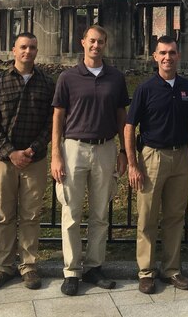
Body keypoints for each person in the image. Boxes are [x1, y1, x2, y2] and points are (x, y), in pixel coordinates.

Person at [50, 25, 129, 296]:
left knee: (100, 213)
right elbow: (58, 116)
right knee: (70, 212)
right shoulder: (68, 77)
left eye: (101, 42)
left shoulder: (115, 78)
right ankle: (72, 270)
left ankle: (94, 266)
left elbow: (121, 115)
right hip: (74, 148)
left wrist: (123, 152)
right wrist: (56, 154)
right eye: (92, 41)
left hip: (105, 147)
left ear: (106, 45)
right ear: (83, 42)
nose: (96, 46)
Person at [124, 36, 188, 294]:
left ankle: (172, 269)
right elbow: (129, 125)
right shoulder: (146, 88)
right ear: (155, 56)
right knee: (147, 216)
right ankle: (146, 271)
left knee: (174, 216)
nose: (168, 57)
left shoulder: (187, 88)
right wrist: (133, 164)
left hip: (180, 156)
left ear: (178, 56)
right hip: (152, 157)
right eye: (163, 53)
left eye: (172, 52)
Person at [0, 32, 55, 290]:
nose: (28, 51)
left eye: (32, 47)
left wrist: (32, 150)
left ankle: (28, 264)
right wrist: (11, 152)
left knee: (31, 213)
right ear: (14, 50)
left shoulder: (47, 84)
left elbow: (52, 122)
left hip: (34, 159)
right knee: (4, 213)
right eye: (23, 47)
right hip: (4, 159)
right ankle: (5, 264)